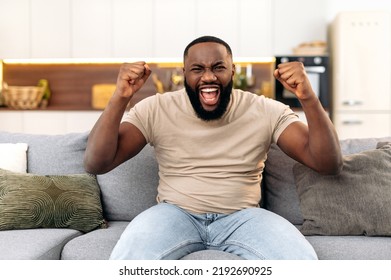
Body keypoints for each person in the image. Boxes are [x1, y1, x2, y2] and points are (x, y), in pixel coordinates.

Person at [84, 35, 343, 260]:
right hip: (175, 214)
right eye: (197, 69)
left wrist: (308, 97)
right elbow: (97, 163)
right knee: (128, 261)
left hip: (244, 217)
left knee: (301, 261)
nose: (208, 76)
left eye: (218, 67)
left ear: (232, 71)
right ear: (184, 73)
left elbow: (328, 164)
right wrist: (121, 97)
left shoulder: (264, 109)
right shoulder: (156, 108)